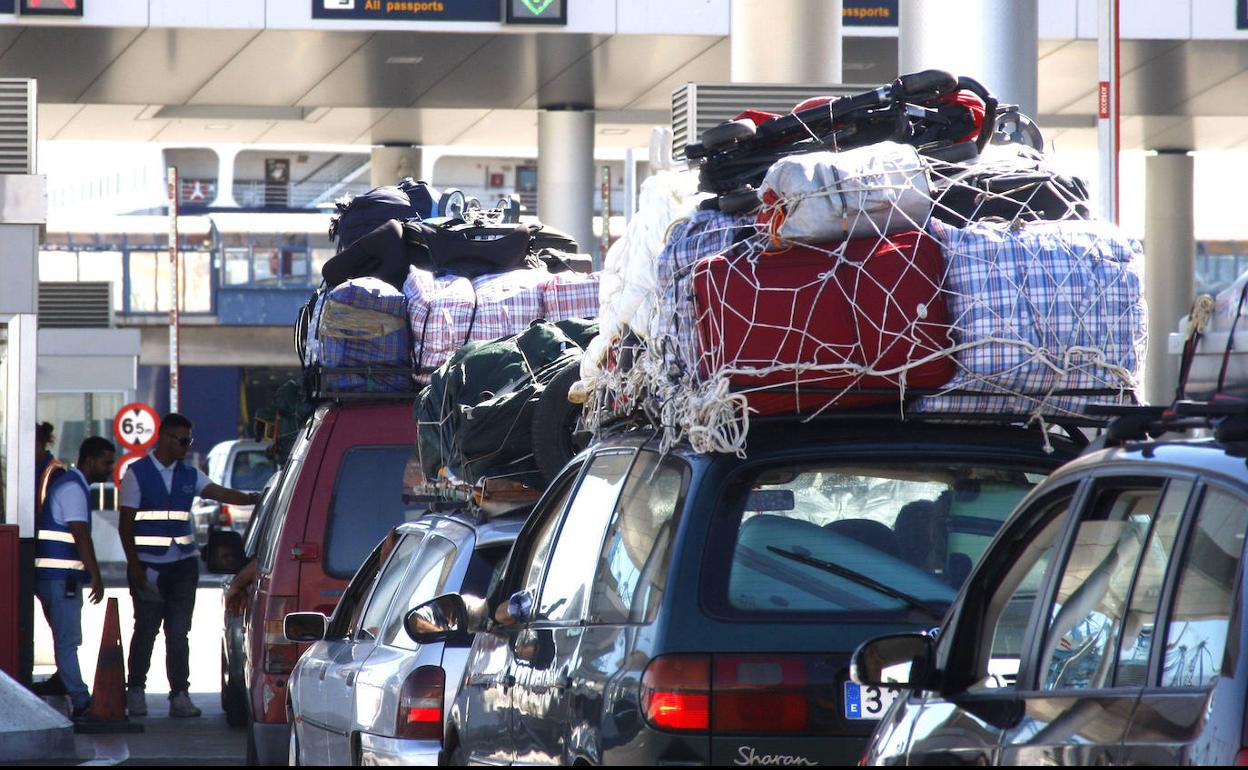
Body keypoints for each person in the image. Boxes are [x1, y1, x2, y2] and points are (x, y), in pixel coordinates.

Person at [118, 413, 259, 719]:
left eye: (189, 441)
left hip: (182, 566)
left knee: (179, 633)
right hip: (149, 568)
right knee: (145, 630)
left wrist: (256, 499)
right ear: (165, 438)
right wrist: (135, 566)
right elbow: (125, 524)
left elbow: (221, 493)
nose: (186, 446)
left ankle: (180, 695)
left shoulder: (189, 474)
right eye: (183, 440)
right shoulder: (136, 474)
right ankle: (136, 692)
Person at [34, 436, 115, 719]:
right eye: (106, 462)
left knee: (65, 635)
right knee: (68, 639)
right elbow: (80, 534)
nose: (111, 469)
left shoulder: (72, 485)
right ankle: (81, 699)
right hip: (61, 576)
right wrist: (96, 575)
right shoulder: (73, 488)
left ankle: (61, 680)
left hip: (55, 576)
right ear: (90, 460)